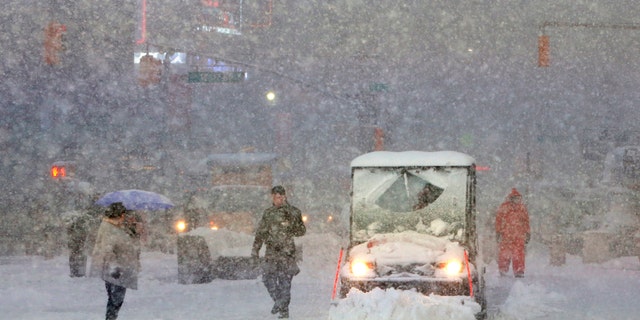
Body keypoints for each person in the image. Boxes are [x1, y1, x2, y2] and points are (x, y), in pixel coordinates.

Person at [251, 186, 306, 319]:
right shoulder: (268, 213)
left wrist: (292, 223)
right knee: (267, 279)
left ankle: (284, 313)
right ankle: (279, 302)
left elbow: (301, 231)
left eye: (281, 197)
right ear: (272, 197)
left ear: (285, 197)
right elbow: (260, 234)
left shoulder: (293, 212)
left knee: (285, 283)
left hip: (287, 253)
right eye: (276, 197)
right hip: (271, 252)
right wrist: (255, 251)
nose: (279, 200)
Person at [90, 202, 140, 320]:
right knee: (116, 300)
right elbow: (107, 250)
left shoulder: (116, 226)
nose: (124, 217)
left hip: (119, 268)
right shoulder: (109, 228)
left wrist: (133, 229)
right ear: (118, 214)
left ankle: (111, 318)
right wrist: (114, 266)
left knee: (114, 300)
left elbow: (129, 241)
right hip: (116, 270)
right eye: (123, 214)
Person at [495, 188, 530, 278]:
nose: (517, 200)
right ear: (511, 198)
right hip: (506, 235)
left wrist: (527, 232)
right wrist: (498, 232)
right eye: (516, 198)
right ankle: (503, 270)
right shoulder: (504, 207)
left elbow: (526, 221)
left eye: (518, 198)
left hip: (519, 236)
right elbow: (498, 220)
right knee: (505, 254)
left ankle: (519, 271)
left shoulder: (522, 208)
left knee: (519, 254)